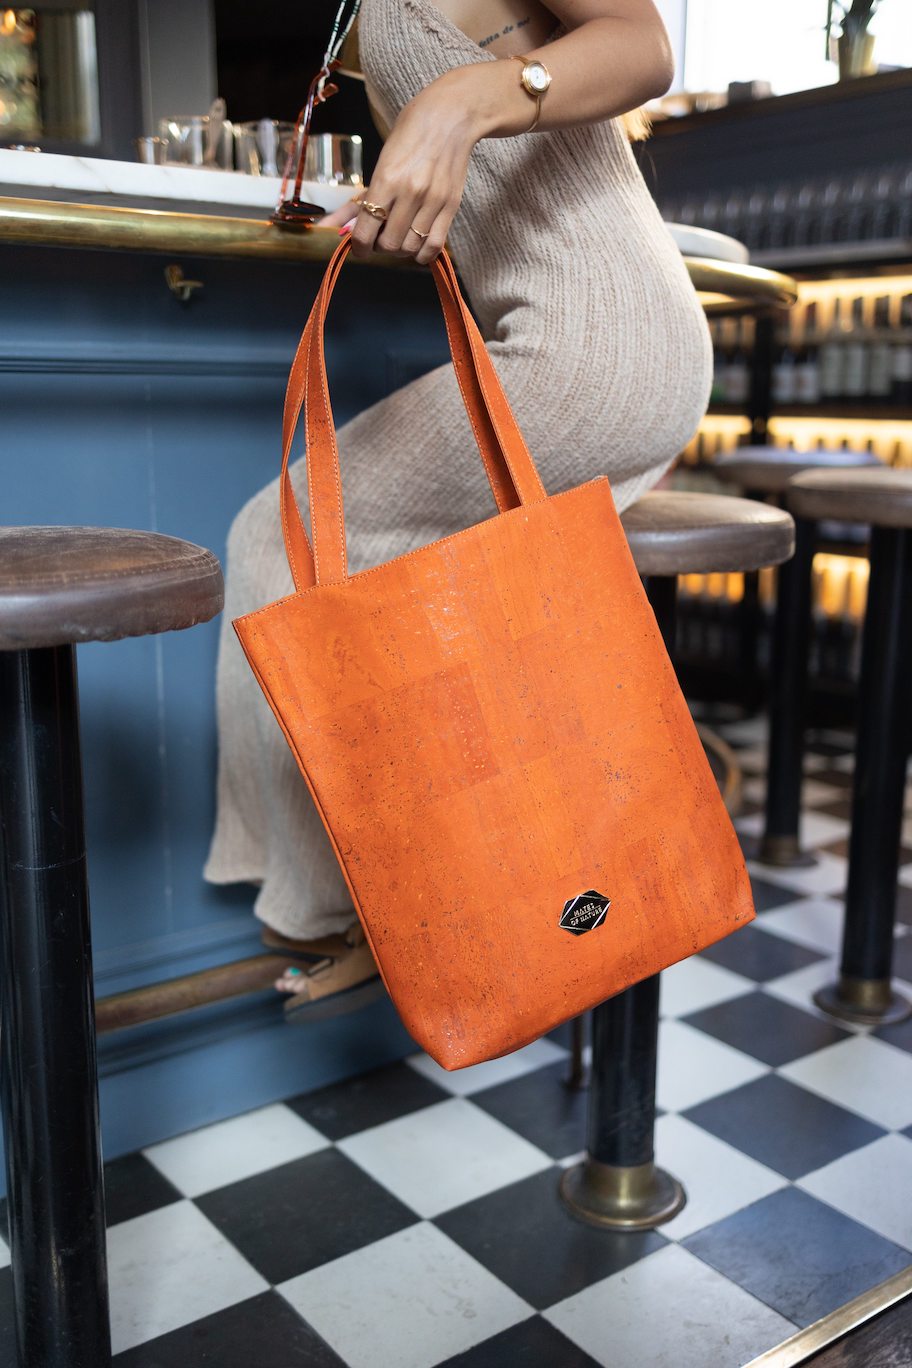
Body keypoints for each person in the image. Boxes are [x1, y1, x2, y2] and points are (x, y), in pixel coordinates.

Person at [204, 0, 713, 1019]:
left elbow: (647, 41)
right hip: (591, 348)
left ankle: (351, 911)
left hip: (595, 347)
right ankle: (491, 893)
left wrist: (464, 98)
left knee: (284, 530)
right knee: (452, 594)